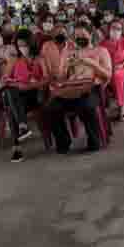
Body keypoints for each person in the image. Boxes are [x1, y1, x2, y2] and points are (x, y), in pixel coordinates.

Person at [44, 25, 112, 154]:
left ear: (91, 35)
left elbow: (108, 75)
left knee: (86, 106)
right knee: (52, 107)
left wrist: (90, 63)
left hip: (92, 87)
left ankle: (94, 141)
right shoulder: (69, 52)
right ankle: (63, 142)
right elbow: (61, 76)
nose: (80, 38)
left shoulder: (101, 51)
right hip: (71, 88)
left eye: (83, 35)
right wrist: (66, 68)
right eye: (77, 36)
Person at [1, 31, 49, 163]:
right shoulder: (14, 59)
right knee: (10, 94)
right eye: (19, 45)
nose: (22, 48)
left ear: (31, 44)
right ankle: (22, 126)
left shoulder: (40, 59)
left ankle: (17, 146)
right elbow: (5, 79)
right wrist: (18, 84)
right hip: (17, 95)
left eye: (25, 45)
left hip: (34, 95)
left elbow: (46, 79)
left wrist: (30, 86)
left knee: (10, 104)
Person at [100, 19, 124, 120]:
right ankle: (101, 109)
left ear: (121, 30)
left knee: (116, 77)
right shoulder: (103, 43)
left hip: (120, 69)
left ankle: (122, 107)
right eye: (113, 28)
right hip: (106, 69)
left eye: (118, 29)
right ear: (109, 29)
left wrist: (122, 64)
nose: (115, 31)